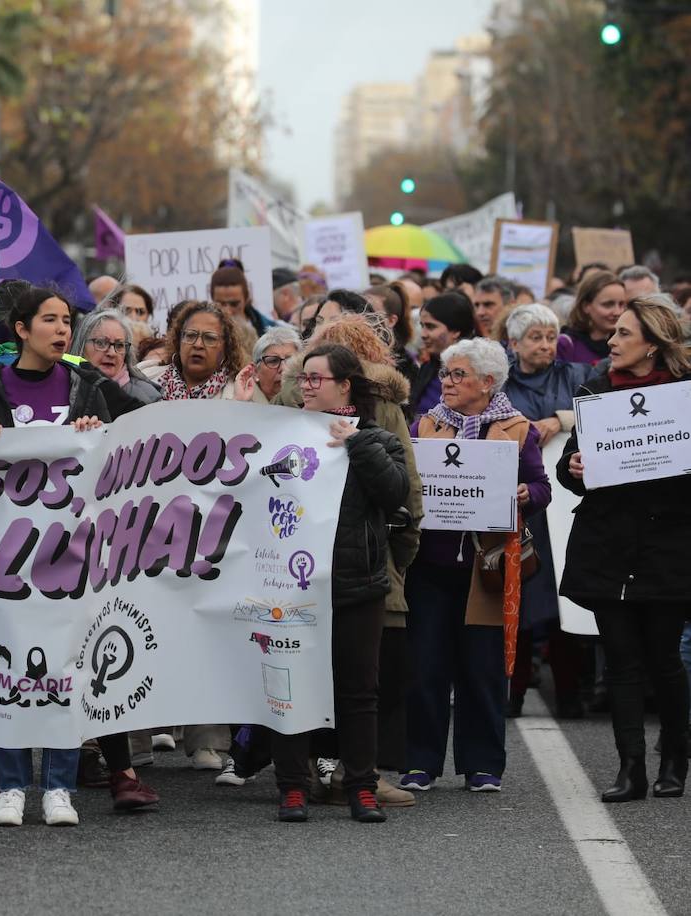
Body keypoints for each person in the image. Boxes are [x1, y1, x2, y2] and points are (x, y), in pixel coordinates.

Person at [0, 284, 151, 825]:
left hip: (74, 554)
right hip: (5, 557)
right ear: (21, 330)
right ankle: (12, 785)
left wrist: (100, 432)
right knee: (10, 663)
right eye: (51, 320)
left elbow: (132, 450)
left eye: (67, 321)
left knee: (68, 664)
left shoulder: (90, 386)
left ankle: (58, 788)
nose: (63, 330)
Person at [236, 343, 409, 823]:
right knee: (289, 687)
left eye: (317, 378)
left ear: (345, 385)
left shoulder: (377, 437)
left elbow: (394, 491)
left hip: (357, 585)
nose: (307, 385)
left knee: (358, 692)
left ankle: (361, 787)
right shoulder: (284, 433)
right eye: (304, 377)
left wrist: (357, 443)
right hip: (292, 588)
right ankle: (293, 786)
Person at [557, 296, 691, 803]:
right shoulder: (595, 392)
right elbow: (571, 469)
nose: (610, 343)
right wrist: (572, 469)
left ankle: (674, 755)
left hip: (666, 549)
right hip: (609, 549)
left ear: (653, 346)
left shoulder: (683, 398)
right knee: (621, 661)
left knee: (663, 659)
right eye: (611, 334)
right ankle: (630, 768)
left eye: (623, 335)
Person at [403, 337, 551, 794]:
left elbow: (541, 486)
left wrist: (528, 495)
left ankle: (483, 765)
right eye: (446, 374)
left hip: (487, 569)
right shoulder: (425, 425)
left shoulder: (518, 429)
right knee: (426, 668)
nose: (446, 382)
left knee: (482, 670)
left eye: (457, 375)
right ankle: (420, 763)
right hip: (430, 566)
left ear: (488, 383)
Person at [154, 301, 246, 771]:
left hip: (213, 531)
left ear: (225, 345)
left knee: (206, 632)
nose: (198, 345)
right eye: (191, 335)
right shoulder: (150, 387)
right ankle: (133, 735)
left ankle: (207, 740)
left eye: (210, 338)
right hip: (149, 530)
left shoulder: (238, 393)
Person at [501, 304, 594, 720]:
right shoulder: (500, 383)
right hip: (522, 503)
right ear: (514, 343)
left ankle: (571, 693)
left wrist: (560, 418)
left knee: (565, 602)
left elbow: (603, 405)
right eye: (535, 337)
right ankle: (514, 692)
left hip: (566, 507)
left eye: (550, 336)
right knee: (518, 603)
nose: (544, 345)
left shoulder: (575, 375)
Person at [70, 308, 161, 404]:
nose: (112, 353)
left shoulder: (147, 399)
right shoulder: (60, 386)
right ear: (81, 346)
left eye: (119, 345)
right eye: (101, 343)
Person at [408, 292, 476, 421]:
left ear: (456, 330)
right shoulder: (427, 369)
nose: (423, 334)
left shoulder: (479, 371)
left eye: (431, 326)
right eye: (422, 326)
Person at [558, 270, 626, 365]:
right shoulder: (565, 345)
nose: (617, 312)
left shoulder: (627, 344)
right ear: (586, 306)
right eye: (608, 304)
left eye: (622, 304)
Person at [210, 265, 277, 338]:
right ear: (212, 300)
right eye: (221, 304)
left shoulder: (270, 331)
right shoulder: (203, 331)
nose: (228, 311)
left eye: (234, 304)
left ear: (246, 299)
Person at [245, 327, 301, 404]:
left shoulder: (310, 402)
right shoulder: (242, 402)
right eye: (273, 361)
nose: (283, 368)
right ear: (255, 371)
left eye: (290, 361)